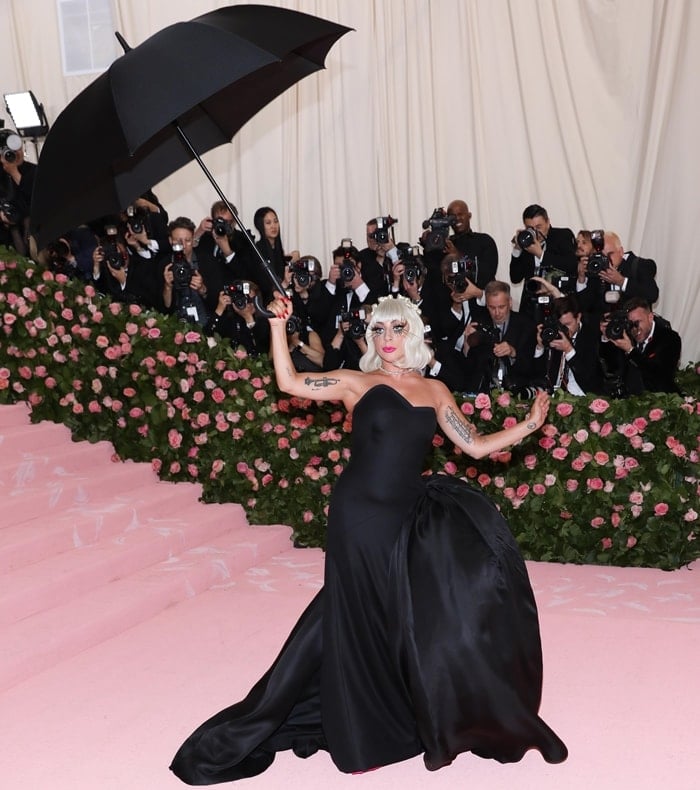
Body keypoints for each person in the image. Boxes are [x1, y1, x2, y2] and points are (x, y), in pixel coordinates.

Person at [170, 294, 568, 783]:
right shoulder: (357, 383)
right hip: (358, 516)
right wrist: (277, 327)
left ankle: (396, 714)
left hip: (405, 516)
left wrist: (528, 426)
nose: (386, 340)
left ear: (414, 334)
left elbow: (476, 446)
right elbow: (289, 381)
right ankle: (362, 732)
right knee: (356, 615)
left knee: (395, 614)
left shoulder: (436, 390)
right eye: (378, 331)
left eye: (396, 330)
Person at [600, 297, 681, 395]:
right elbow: (611, 367)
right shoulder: (626, 335)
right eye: (630, 324)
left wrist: (631, 350)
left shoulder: (669, 338)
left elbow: (660, 376)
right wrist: (607, 336)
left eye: (637, 322)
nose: (635, 328)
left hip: (660, 399)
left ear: (650, 317)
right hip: (629, 400)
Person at [510, 204, 577, 320]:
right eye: (530, 228)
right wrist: (517, 249)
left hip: (558, 303)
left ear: (548, 222)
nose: (535, 232)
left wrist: (540, 254)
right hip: (530, 307)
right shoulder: (526, 242)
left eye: (539, 227)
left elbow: (571, 265)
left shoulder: (562, 235)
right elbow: (515, 278)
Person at [533, 293, 606, 395]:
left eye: (568, 324)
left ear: (578, 317)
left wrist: (569, 350)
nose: (565, 329)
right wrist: (540, 347)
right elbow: (538, 375)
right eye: (561, 325)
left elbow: (589, 379)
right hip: (554, 398)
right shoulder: (554, 334)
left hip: (584, 398)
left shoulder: (592, 337)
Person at [576, 231, 659, 317]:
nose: (607, 260)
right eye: (602, 256)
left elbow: (652, 295)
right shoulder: (597, 271)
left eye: (610, 254)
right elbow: (584, 307)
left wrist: (622, 282)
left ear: (621, 251)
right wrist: (581, 279)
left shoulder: (639, 265)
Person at [253, 206, 300, 295]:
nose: (273, 226)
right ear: (260, 226)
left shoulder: (278, 249)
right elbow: (264, 286)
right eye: (268, 223)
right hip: (269, 300)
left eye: (275, 221)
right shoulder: (258, 251)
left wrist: (292, 262)